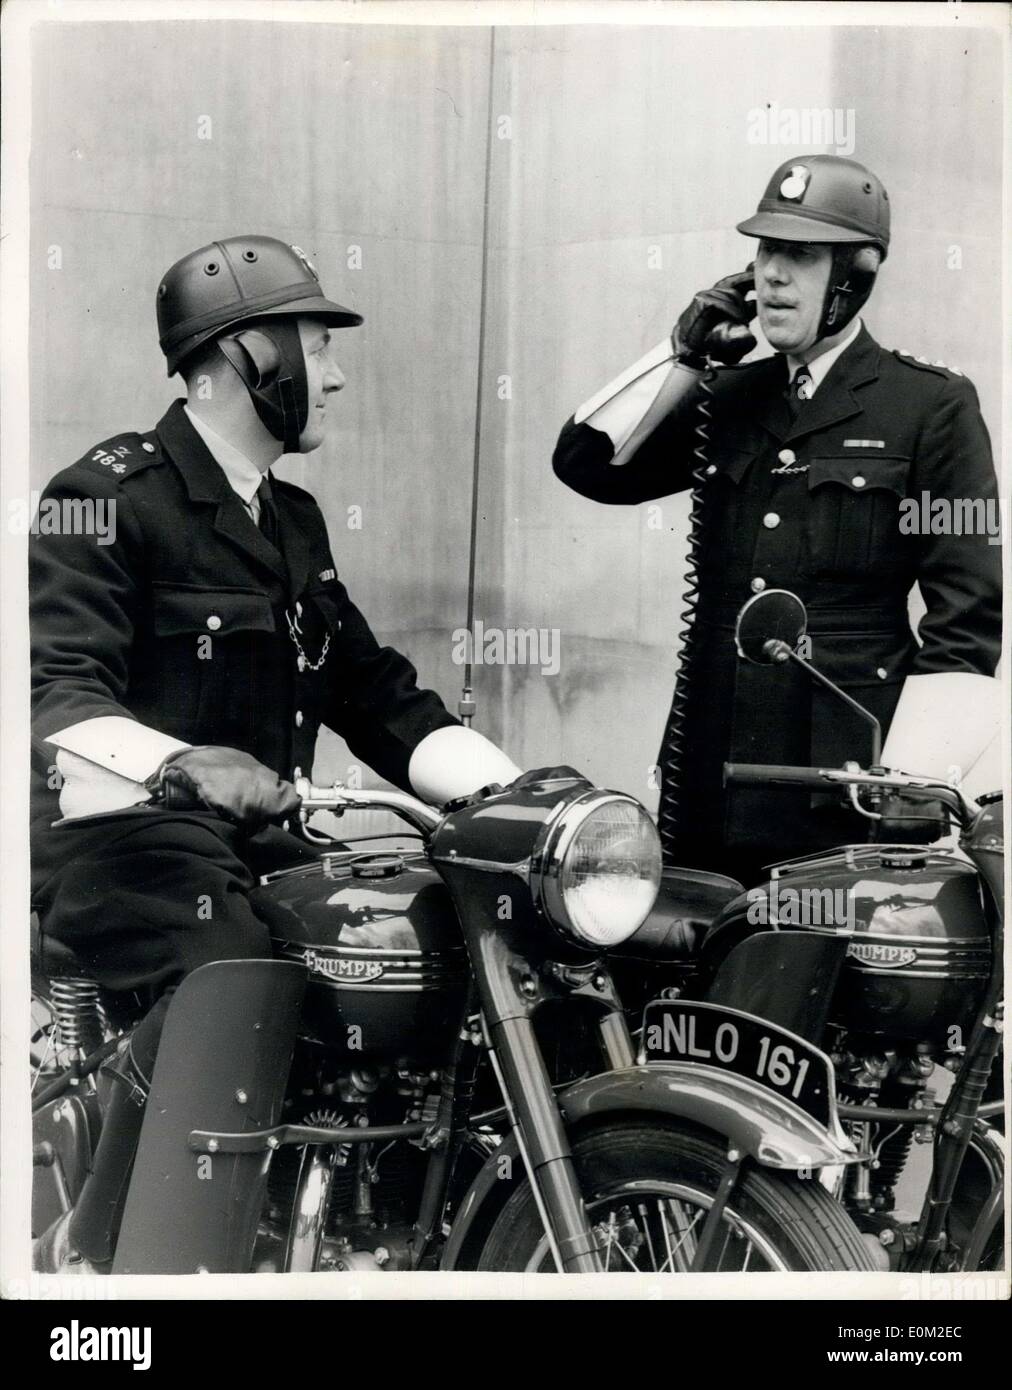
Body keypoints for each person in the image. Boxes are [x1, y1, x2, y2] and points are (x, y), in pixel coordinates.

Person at [31, 235, 520, 1271]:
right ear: (246, 359)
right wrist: (180, 762)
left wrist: (518, 793)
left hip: (260, 842)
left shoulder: (291, 522)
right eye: (314, 346)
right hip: (126, 843)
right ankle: (110, 1257)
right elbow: (55, 693)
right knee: (235, 964)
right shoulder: (107, 496)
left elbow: (374, 691)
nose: (334, 373)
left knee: (412, 939)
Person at [552, 155, 1002, 884]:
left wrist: (908, 785)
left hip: (842, 787)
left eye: (799, 254)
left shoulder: (928, 408)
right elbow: (587, 465)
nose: (771, 274)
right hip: (709, 773)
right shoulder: (726, 396)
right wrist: (681, 355)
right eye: (765, 250)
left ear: (855, 274)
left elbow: (967, 621)